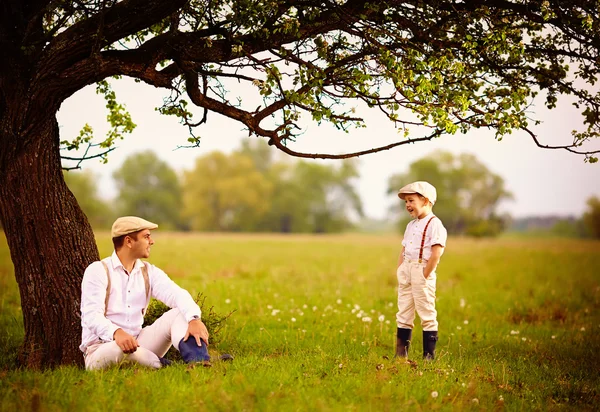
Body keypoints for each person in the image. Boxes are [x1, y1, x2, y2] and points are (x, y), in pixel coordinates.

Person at [80, 216, 219, 370]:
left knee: (181, 313)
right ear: (128, 241)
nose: (151, 241)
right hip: (101, 350)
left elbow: (177, 294)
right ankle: (167, 366)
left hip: (139, 343)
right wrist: (116, 333)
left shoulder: (148, 272)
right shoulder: (98, 270)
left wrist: (194, 319)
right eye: (146, 237)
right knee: (118, 349)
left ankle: (199, 361)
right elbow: (91, 315)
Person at [394, 181, 447, 360]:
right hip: (407, 269)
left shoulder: (434, 224)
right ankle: (401, 354)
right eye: (406, 202)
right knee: (403, 312)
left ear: (425, 201)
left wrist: (425, 274)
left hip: (422, 270)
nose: (408, 205)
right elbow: (404, 248)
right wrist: (401, 268)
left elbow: (436, 253)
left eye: (411, 200)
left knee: (426, 312)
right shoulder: (411, 225)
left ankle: (428, 356)